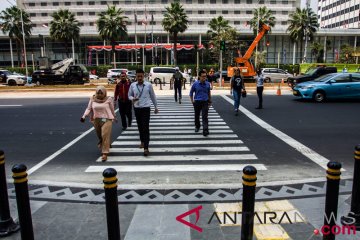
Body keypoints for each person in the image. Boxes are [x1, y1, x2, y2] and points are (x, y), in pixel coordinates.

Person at [81, 86, 116, 161]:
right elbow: (89, 108)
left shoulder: (109, 99)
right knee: (100, 136)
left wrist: (114, 117)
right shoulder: (92, 99)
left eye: (101, 93)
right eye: (98, 93)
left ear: (104, 93)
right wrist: (84, 116)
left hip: (107, 119)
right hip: (96, 120)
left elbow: (112, 109)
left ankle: (104, 153)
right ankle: (106, 143)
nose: (100, 95)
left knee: (104, 135)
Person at [128, 69, 159, 156]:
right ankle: (142, 141)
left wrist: (156, 107)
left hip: (146, 108)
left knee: (145, 127)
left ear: (144, 76)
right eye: (138, 76)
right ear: (136, 76)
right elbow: (129, 95)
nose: (140, 78)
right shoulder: (133, 85)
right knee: (140, 126)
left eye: (141, 76)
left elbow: (153, 96)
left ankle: (146, 148)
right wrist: (132, 99)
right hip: (137, 108)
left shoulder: (148, 85)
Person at [189, 70, 212, 136]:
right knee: (197, 115)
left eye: (205, 76)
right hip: (197, 102)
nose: (204, 78)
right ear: (199, 76)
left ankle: (205, 130)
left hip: (205, 102)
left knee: (205, 116)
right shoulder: (195, 84)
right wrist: (192, 101)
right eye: (203, 76)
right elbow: (191, 93)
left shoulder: (207, 84)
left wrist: (210, 100)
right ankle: (197, 126)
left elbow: (209, 93)